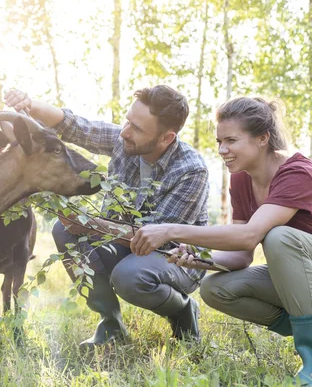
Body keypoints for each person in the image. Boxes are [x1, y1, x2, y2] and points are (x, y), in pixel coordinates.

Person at [5, 86, 210, 347]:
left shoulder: (191, 170)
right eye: (127, 121)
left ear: (166, 138)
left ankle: (182, 309)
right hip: (124, 245)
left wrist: (91, 224)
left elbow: (155, 238)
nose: (125, 131)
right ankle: (110, 323)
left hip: (175, 259)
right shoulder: (125, 139)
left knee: (129, 277)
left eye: (137, 128)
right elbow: (75, 127)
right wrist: (29, 104)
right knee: (64, 230)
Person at [131, 97, 312, 384]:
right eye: (218, 141)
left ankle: (311, 357)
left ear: (262, 138)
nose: (221, 150)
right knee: (215, 287)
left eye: (231, 140)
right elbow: (242, 254)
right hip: (300, 281)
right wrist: (201, 258)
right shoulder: (241, 178)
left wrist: (170, 230)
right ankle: (304, 328)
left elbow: (251, 234)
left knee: (278, 238)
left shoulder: (298, 172)